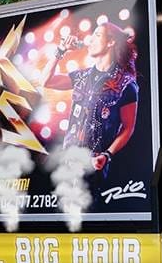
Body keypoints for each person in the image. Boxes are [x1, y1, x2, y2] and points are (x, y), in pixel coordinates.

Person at [43, 22, 140, 175]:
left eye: (97, 35)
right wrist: (60, 51)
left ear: (111, 42)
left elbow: (128, 128)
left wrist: (107, 155)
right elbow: (46, 81)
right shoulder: (81, 76)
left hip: (95, 168)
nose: (90, 40)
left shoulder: (126, 84)